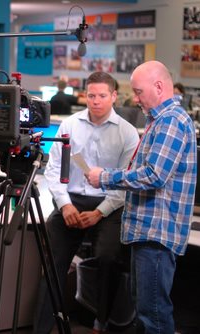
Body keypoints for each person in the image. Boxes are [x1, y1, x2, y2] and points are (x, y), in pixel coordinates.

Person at [86, 60, 197, 333]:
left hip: (156, 234)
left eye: (138, 92)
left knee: (154, 316)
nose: (134, 99)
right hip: (147, 232)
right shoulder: (160, 121)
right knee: (146, 311)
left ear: (159, 87)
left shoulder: (170, 121)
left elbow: (154, 175)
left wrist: (106, 177)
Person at [34, 72, 139, 334]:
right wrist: (65, 204)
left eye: (102, 96)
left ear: (114, 96)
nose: (95, 101)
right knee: (53, 260)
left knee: (107, 258)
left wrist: (99, 212)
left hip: (109, 203)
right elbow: (54, 169)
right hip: (72, 200)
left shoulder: (128, 133)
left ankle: (101, 322)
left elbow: (126, 182)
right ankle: (42, 328)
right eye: (91, 95)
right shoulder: (69, 125)